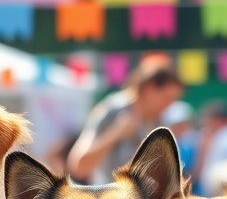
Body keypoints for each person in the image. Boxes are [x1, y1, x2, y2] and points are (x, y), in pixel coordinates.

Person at [67, 55, 184, 183]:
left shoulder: (156, 118)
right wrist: (116, 133)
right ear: (149, 89)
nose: (170, 105)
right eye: (167, 97)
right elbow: (78, 166)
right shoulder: (113, 110)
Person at [191, 100, 227, 195]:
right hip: (212, 193)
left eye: (209, 118)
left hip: (225, 193)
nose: (206, 122)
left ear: (220, 120)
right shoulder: (214, 134)